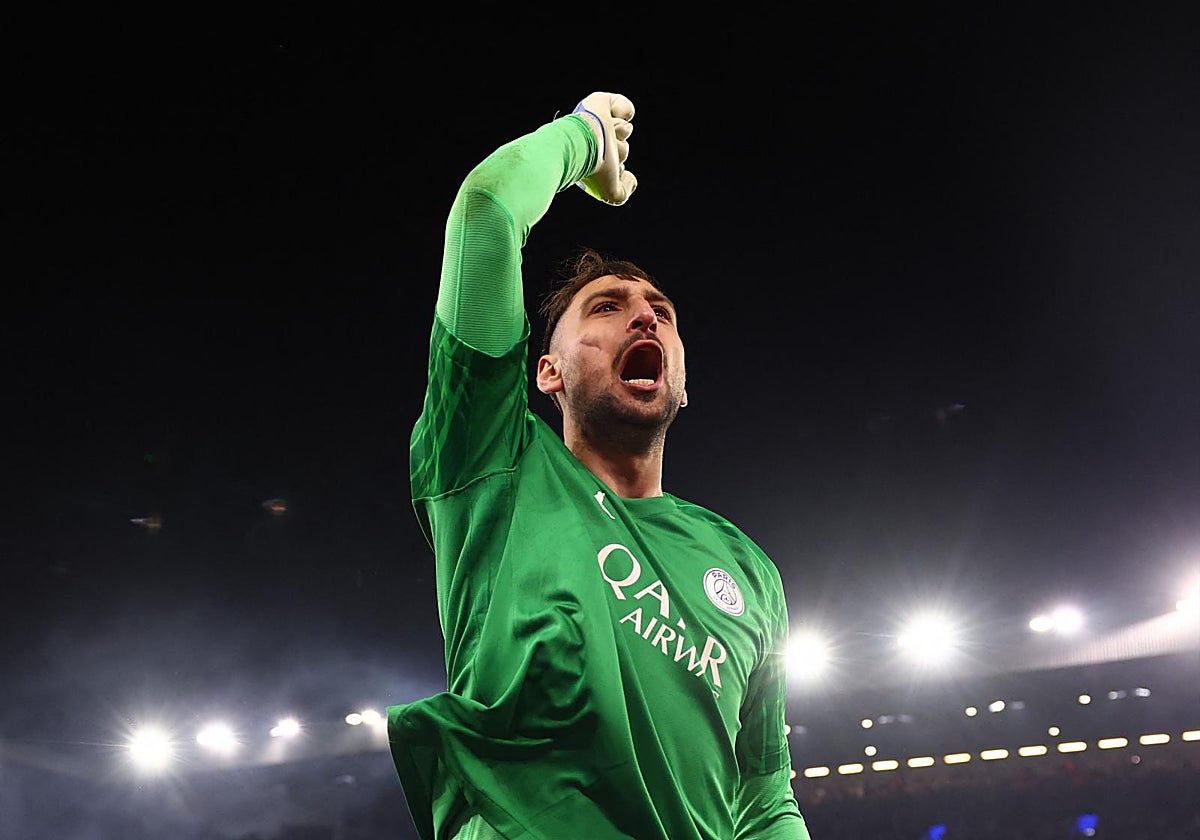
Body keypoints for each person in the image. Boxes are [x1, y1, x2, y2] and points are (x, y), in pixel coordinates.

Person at [386, 91, 811, 840]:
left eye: (661, 312)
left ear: (683, 381)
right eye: (607, 307)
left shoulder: (749, 570)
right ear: (547, 372)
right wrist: (584, 138)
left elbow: (764, 797)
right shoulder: (495, 465)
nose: (645, 315)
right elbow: (485, 212)